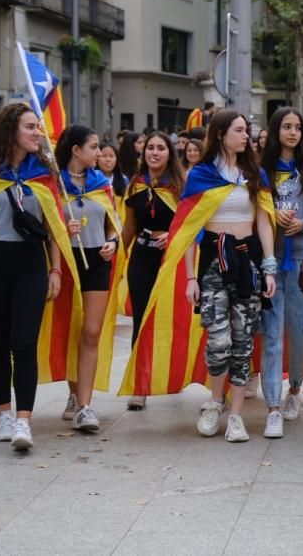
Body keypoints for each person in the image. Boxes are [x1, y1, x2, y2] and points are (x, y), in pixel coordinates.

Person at [0, 103, 80, 450]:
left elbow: (54, 227)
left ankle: (24, 421)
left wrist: (55, 269)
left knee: (24, 344)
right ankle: (4, 415)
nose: (37, 133)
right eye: (30, 127)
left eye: (38, 127)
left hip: (31, 264)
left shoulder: (44, 175)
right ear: (11, 131)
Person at [183, 110, 277, 443]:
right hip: (212, 264)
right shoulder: (201, 174)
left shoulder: (255, 173)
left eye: (247, 131)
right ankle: (214, 402)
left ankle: (235, 415)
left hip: (247, 263)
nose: (246, 136)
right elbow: (188, 229)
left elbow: (264, 222)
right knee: (218, 340)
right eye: (239, 130)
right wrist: (189, 278)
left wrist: (268, 266)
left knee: (242, 341)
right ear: (221, 133)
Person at [258, 107, 303, 438]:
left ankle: (294, 389)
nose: (292, 132)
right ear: (275, 131)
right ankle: (272, 406)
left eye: (298, 127)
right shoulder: (261, 171)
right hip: (269, 264)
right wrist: (273, 220)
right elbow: (253, 214)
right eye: (286, 126)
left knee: (299, 334)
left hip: (302, 263)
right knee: (271, 334)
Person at [55, 126, 122, 432]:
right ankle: (73, 394)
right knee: (72, 328)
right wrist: (60, 229)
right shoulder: (54, 183)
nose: (100, 153)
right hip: (66, 260)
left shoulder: (101, 184)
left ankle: (85, 405)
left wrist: (113, 242)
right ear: (76, 150)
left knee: (91, 331)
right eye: (94, 147)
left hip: (97, 260)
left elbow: (113, 223)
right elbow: (44, 223)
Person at [120, 132, 185, 410]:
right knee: (141, 320)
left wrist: (173, 236)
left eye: (160, 148)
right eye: (150, 148)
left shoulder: (181, 186)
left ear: (170, 153)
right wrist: (113, 257)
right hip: (142, 258)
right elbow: (129, 228)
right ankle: (140, 386)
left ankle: (176, 375)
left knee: (177, 320)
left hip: (173, 261)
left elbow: (191, 223)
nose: (154, 153)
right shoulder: (135, 185)